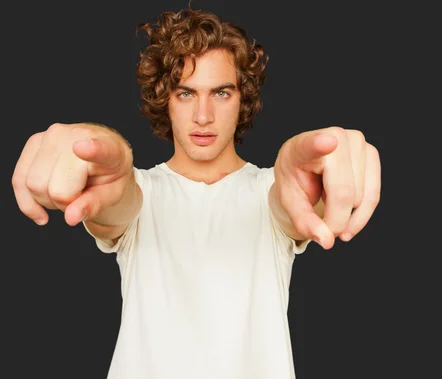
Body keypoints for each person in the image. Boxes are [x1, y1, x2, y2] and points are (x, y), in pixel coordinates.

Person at [11, 7, 381, 379]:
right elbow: (118, 200)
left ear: (242, 99)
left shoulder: (273, 192)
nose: (203, 115)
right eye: (185, 93)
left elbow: (292, 203)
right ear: (165, 100)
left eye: (221, 92)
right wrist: (99, 147)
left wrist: (318, 178)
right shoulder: (140, 193)